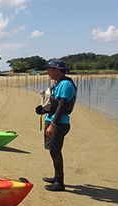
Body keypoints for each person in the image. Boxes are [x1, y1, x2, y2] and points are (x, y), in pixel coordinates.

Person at [36, 60, 77, 191]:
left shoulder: (65, 84)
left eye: (50, 69)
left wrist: (53, 124)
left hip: (59, 123)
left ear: (57, 70)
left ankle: (60, 183)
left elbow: (62, 105)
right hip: (53, 120)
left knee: (56, 151)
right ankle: (56, 177)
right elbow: (54, 105)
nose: (48, 72)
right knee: (53, 151)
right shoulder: (58, 83)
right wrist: (42, 110)